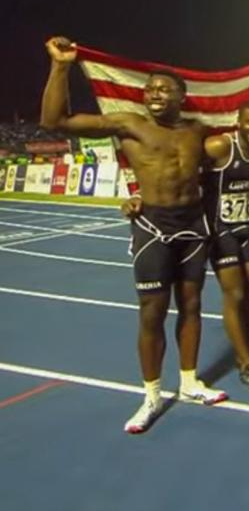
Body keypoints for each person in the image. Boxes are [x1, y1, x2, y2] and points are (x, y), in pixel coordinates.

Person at [40, 36, 227, 435]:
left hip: (194, 227)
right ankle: (152, 394)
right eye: (150, 89)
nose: (155, 94)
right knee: (152, 313)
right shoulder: (129, 123)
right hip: (153, 227)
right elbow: (55, 122)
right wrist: (61, 66)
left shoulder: (197, 131)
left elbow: (238, 143)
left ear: (182, 95)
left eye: (164, 89)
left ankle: (191, 382)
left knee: (192, 306)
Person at [122, 101, 249, 389]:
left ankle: (247, 349)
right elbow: (180, 170)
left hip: (246, 228)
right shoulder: (218, 146)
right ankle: (245, 362)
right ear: (238, 122)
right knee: (236, 293)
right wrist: (139, 193)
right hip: (218, 231)